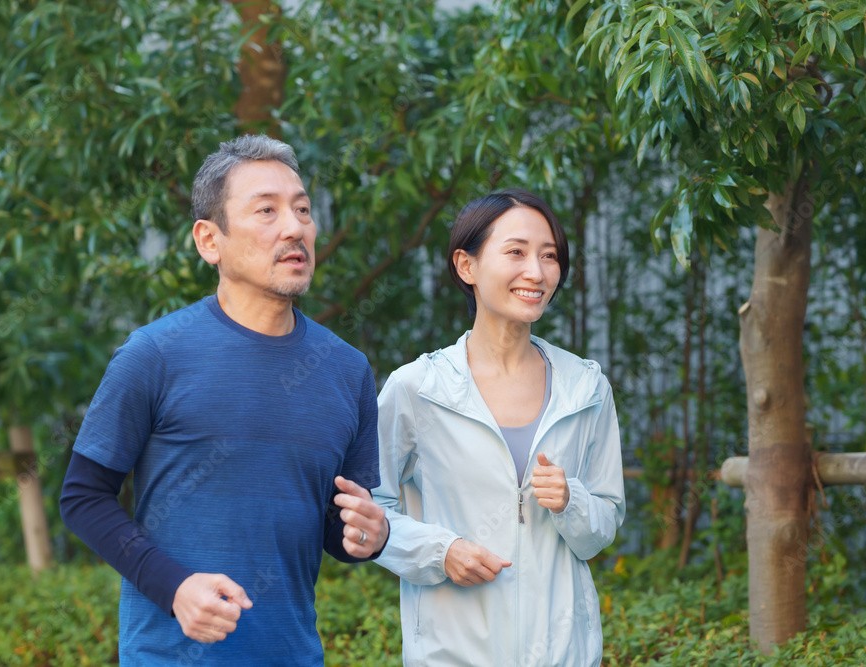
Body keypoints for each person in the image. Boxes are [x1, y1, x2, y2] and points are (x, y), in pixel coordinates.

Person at [60, 134, 389, 666]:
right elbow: (82, 498)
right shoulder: (155, 355)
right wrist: (174, 587)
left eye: (302, 209)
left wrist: (370, 535)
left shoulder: (347, 371)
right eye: (267, 210)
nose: (294, 227)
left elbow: (340, 530)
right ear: (209, 240)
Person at [372, 189, 625, 666]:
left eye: (549, 256)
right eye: (516, 252)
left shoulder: (586, 388)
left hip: (563, 654)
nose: (537, 272)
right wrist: (440, 551)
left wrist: (571, 502)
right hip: (451, 654)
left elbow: (604, 523)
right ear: (466, 265)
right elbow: (370, 510)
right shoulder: (417, 389)